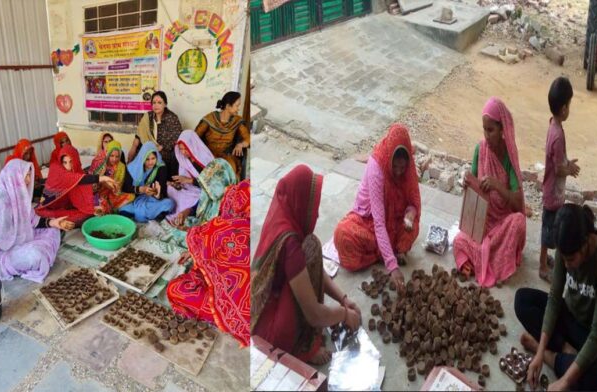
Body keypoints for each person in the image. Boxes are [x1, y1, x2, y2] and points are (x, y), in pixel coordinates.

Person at [252, 165, 362, 365]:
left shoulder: (282, 212)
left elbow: (311, 269)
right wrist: (344, 315)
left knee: (311, 245)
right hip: (270, 334)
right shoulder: (290, 243)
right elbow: (314, 314)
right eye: (313, 207)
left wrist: (343, 299)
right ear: (301, 201)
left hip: (260, 309)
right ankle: (302, 349)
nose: (317, 215)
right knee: (311, 250)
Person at [514, 204, 597, 391]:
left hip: (591, 332)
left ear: (585, 243)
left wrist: (564, 382)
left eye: (571, 259)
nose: (567, 266)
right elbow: (554, 299)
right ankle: (560, 349)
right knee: (522, 300)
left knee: (594, 382)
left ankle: (546, 354)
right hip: (568, 315)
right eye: (564, 259)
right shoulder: (565, 245)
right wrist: (541, 352)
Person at [333, 124, 420, 292]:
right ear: (389, 159)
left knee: (413, 226)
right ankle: (386, 253)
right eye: (394, 167)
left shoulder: (408, 168)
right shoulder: (376, 167)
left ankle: (386, 251)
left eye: (402, 168)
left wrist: (410, 214)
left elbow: (413, 202)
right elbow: (379, 223)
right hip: (370, 220)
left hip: (395, 220)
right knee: (343, 235)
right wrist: (392, 267)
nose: (398, 172)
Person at [452, 97, 526, 287]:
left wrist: (497, 186)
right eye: (484, 129)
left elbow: (518, 204)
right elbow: (475, 188)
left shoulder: (509, 156)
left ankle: (483, 261)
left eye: (491, 130)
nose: (486, 135)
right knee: (459, 240)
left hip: (502, 224)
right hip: (483, 222)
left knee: (518, 222)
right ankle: (485, 260)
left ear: (502, 130)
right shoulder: (481, 149)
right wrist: (468, 185)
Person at [167, 180, 251, 347]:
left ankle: (222, 319)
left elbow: (203, 242)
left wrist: (196, 254)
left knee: (175, 289)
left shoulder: (223, 229)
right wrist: (197, 253)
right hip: (266, 310)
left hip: (238, 312)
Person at [0, 159, 74, 283]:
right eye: (26, 175)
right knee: (35, 255)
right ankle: (34, 255)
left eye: (28, 176)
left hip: (23, 238)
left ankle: (39, 250)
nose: (28, 180)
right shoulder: (0, 201)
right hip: (3, 252)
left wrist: (54, 223)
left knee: (53, 230)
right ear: (15, 177)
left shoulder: (19, 196)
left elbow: (33, 220)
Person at [540, 77, 580, 282]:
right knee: (548, 230)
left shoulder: (553, 126)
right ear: (564, 108)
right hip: (552, 191)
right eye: (570, 104)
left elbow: (557, 159)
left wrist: (566, 162)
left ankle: (545, 259)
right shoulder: (558, 135)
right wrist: (569, 168)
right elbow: (557, 169)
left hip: (551, 189)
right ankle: (542, 266)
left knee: (549, 227)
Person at [36, 145, 116, 226]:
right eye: (65, 162)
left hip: (67, 205)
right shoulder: (56, 169)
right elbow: (77, 179)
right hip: (49, 208)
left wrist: (90, 208)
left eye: (71, 161)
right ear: (61, 161)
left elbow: (80, 187)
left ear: (76, 160)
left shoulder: (77, 171)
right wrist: (102, 178)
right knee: (82, 216)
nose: (68, 166)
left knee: (93, 210)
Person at [195, 92, 250, 179]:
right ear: (228, 106)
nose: (238, 109)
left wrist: (241, 144)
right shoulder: (210, 119)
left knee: (229, 175)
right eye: (237, 105)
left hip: (227, 156)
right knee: (208, 176)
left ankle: (229, 192)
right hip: (208, 155)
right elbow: (194, 137)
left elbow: (248, 139)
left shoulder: (237, 121)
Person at [166, 130, 216, 226]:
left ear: (193, 146)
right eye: (181, 149)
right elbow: (181, 182)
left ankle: (185, 213)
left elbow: (212, 183)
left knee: (200, 199)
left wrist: (189, 180)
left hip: (203, 191)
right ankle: (180, 214)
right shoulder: (182, 158)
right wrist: (177, 184)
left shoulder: (205, 158)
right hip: (188, 189)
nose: (183, 152)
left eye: (186, 149)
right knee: (170, 189)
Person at [129, 91, 183, 175]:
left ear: (165, 104)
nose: (156, 105)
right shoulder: (148, 117)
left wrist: (161, 147)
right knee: (140, 154)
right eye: (154, 103)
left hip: (164, 153)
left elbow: (177, 138)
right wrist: (129, 160)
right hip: (148, 151)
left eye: (159, 102)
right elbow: (138, 138)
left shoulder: (172, 118)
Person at [119, 142, 175, 222]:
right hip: (135, 199)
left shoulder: (161, 168)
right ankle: (151, 215)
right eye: (147, 159)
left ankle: (142, 214)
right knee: (123, 209)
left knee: (170, 203)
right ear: (142, 158)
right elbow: (126, 188)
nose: (150, 162)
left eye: (153, 158)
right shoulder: (133, 168)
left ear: (157, 157)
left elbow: (162, 190)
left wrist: (156, 194)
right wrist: (140, 189)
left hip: (152, 200)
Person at [88, 140, 135, 211]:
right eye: (112, 156)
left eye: (117, 156)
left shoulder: (121, 166)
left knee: (131, 196)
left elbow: (118, 187)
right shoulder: (102, 164)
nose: (114, 159)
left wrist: (112, 187)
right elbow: (93, 184)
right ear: (108, 154)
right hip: (99, 193)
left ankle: (109, 205)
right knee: (100, 206)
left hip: (112, 193)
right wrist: (104, 183)